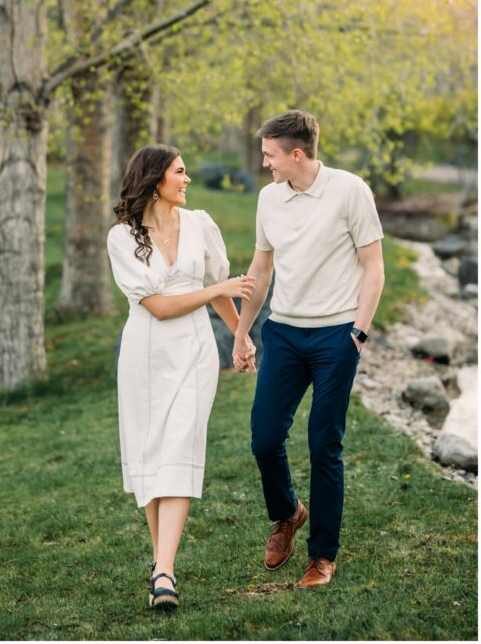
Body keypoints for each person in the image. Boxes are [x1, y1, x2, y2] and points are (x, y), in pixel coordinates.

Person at [232, 109, 385, 589]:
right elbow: (262, 268)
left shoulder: (350, 190)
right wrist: (243, 332)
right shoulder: (268, 198)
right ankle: (287, 514)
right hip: (284, 333)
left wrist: (358, 333)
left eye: (271, 156)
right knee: (263, 437)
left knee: (324, 443)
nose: (266, 164)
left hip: (335, 336)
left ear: (296, 154)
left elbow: (374, 265)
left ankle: (322, 557)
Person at [107, 144, 256, 612]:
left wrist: (240, 337)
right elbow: (159, 306)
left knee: (180, 448)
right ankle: (161, 568)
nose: (188, 180)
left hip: (195, 352)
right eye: (180, 172)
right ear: (155, 180)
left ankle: (165, 571)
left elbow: (217, 297)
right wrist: (218, 287)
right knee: (153, 456)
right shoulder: (123, 237)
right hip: (145, 356)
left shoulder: (200, 225)